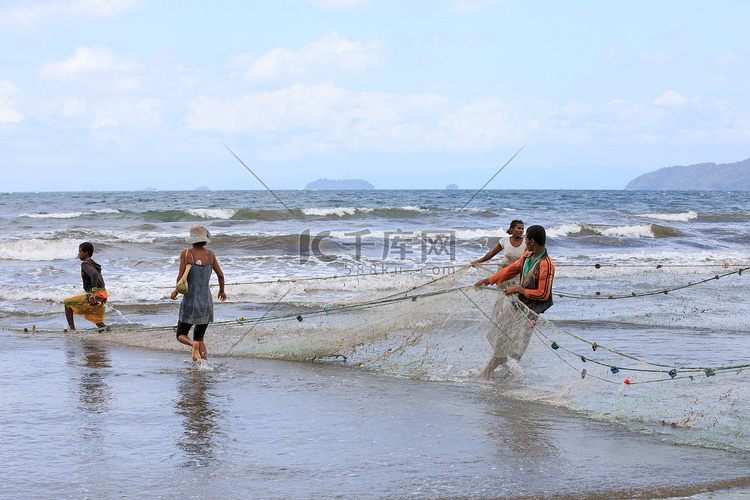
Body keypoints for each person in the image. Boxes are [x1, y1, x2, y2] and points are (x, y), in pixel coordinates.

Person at [474, 225, 555, 378]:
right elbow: (510, 270)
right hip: (516, 306)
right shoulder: (527, 256)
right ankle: (506, 369)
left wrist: (518, 289)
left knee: (507, 344)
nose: (524, 240)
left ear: (532, 241)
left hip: (529, 313)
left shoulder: (546, 264)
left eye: (526, 238)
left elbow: (543, 295)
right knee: (495, 335)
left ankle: (486, 375)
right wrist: (488, 280)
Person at [170, 224, 227, 362]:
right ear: (204, 239)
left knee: (181, 334)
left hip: (190, 301)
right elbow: (220, 275)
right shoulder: (210, 254)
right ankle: (204, 364)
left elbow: (181, 276)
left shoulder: (186, 253)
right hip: (206, 302)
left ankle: (191, 344)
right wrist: (221, 291)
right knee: (199, 336)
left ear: (192, 239)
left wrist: (175, 291)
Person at [64, 242, 108, 331]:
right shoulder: (94, 263)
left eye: (80, 252)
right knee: (99, 323)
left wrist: (93, 294)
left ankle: (72, 330)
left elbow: (94, 275)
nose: (78, 254)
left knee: (67, 303)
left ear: (86, 253)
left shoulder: (85, 264)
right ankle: (107, 332)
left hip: (96, 296)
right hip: (103, 296)